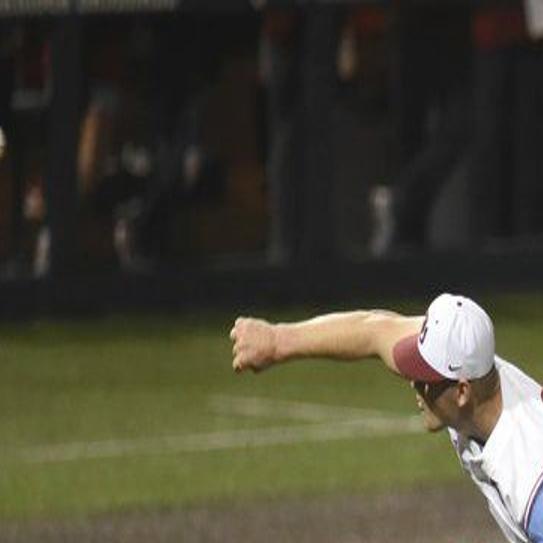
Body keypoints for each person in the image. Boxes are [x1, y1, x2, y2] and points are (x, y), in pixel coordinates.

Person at [230, 293, 543, 543]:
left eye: (425, 376)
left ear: (462, 392)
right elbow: (374, 329)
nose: (413, 382)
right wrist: (276, 341)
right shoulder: (477, 371)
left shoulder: (529, 483)